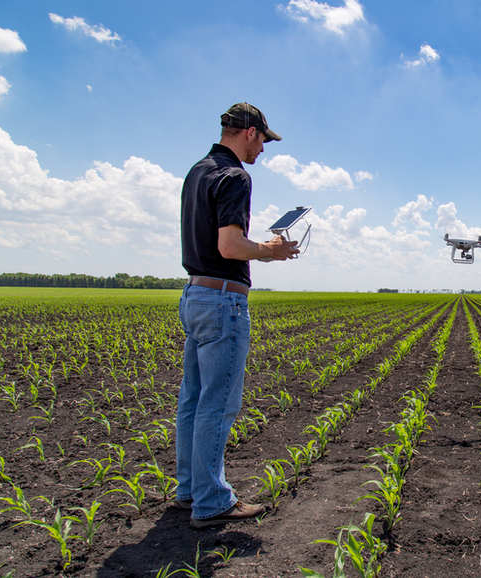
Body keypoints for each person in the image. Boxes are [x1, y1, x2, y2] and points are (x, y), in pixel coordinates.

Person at [175, 102, 299, 529]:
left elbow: (217, 241)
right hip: (222, 300)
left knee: (192, 399)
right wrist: (271, 250)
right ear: (249, 132)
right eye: (264, 139)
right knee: (218, 403)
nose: (264, 149)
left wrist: (258, 248)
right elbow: (230, 246)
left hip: (194, 295)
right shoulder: (235, 177)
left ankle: (190, 489)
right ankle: (211, 501)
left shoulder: (198, 171)